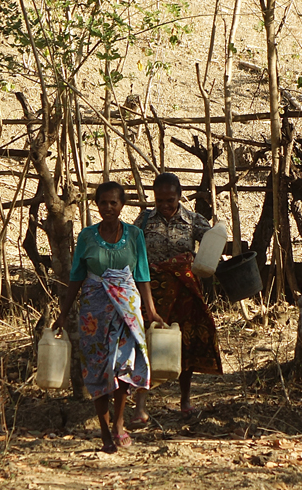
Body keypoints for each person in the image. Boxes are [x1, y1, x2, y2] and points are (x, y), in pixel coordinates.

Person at [53, 181, 164, 454]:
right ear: (97, 205)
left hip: (126, 308)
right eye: (103, 203)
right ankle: (104, 432)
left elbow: (142, 275)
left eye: (114, 202)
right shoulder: (87, 237)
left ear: (122, 205)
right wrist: (64, 312)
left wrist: (151, 310)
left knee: (123, 367)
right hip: (94, 310)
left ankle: (119, 423)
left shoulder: (135, 235)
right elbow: (77, 275)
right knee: (97, 369)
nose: (108, 207)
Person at [136, 172, 223, 417]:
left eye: (170, 200)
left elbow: (212, 248)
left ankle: (185, 400)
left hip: (185, 292)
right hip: (152, 294)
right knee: (146, 343)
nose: (164, 205)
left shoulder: (194, 221)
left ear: (179, 197)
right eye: (159, 200)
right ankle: (140, 406)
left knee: (185, 342)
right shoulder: (143, 221)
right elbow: (133, 251)